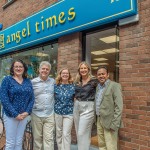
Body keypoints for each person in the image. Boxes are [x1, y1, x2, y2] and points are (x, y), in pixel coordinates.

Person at [0, 59, 34, 150]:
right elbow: (4, 99)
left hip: (23, 116)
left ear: (24, 68)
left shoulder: (28, 81)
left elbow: (32, 98)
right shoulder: (7, 80)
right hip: (10, 116)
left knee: (19, 141)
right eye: (16, 66)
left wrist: (27, 112)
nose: (18, 68)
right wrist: (15, 114)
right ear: (13, 68)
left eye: (20, 66)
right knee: (11, 142)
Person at [95, 66, 123, 150]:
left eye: (103, 74)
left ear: (107, 75)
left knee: (111, 146)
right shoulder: (98, 87)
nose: (101, 76)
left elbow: (119, 107)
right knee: (101, 145)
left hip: (110, 122)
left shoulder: (115, 86)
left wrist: (114, 124)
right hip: (99, 120)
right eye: (99, 74)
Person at [31, 61, 55, 150]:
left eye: (47, 69)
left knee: (49, 139)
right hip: (36, 114)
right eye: (43, 69)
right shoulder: (32, 82)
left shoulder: (53, 81)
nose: (45, 70)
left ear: (49, 71)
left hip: (49, 114)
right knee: (37, 139)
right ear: (39, 70)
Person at [74, 61, 97, 150]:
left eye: (85, 68)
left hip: (88, 107)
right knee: (79, 132)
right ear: (79, 70)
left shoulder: (94, 81)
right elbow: (73, 93)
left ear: (88, 69)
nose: (83, 70)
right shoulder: (77, 81)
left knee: (81, 132)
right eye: (81, 68)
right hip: (76, 106)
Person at [54, 68, 75, 150]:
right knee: (58, 133)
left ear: (69, 75)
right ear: (60, 74)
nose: (65, 75)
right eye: (63, 73)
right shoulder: (56, 86)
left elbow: (75, 99)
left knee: (66, 134)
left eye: (67, 73)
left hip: (69, 113)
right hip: (57, 112)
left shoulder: (73, 86)